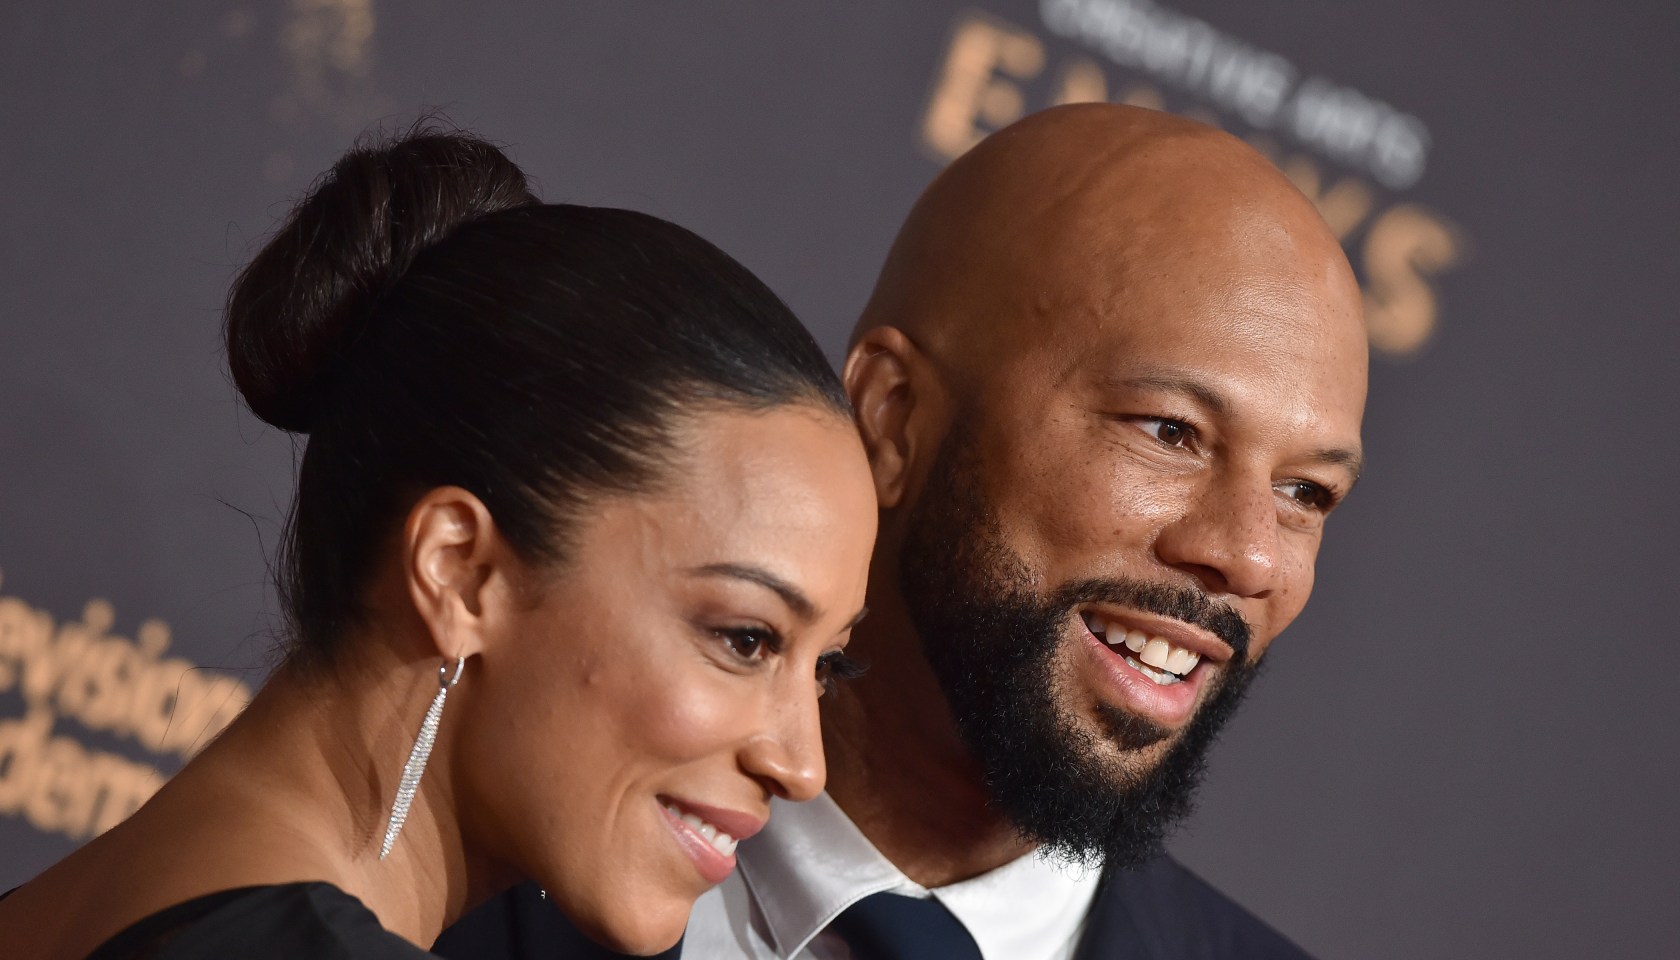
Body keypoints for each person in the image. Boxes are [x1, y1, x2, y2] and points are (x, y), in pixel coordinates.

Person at [436, 102, 1366, 959]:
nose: (1246, 554)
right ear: (892, 419)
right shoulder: (430, 894)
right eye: (1170, 432)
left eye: (1306, 494)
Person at [0, 127, 878, 959]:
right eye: (747, 639)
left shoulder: (123, 892)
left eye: (827, 665)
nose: (802, 765)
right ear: (458, 573)